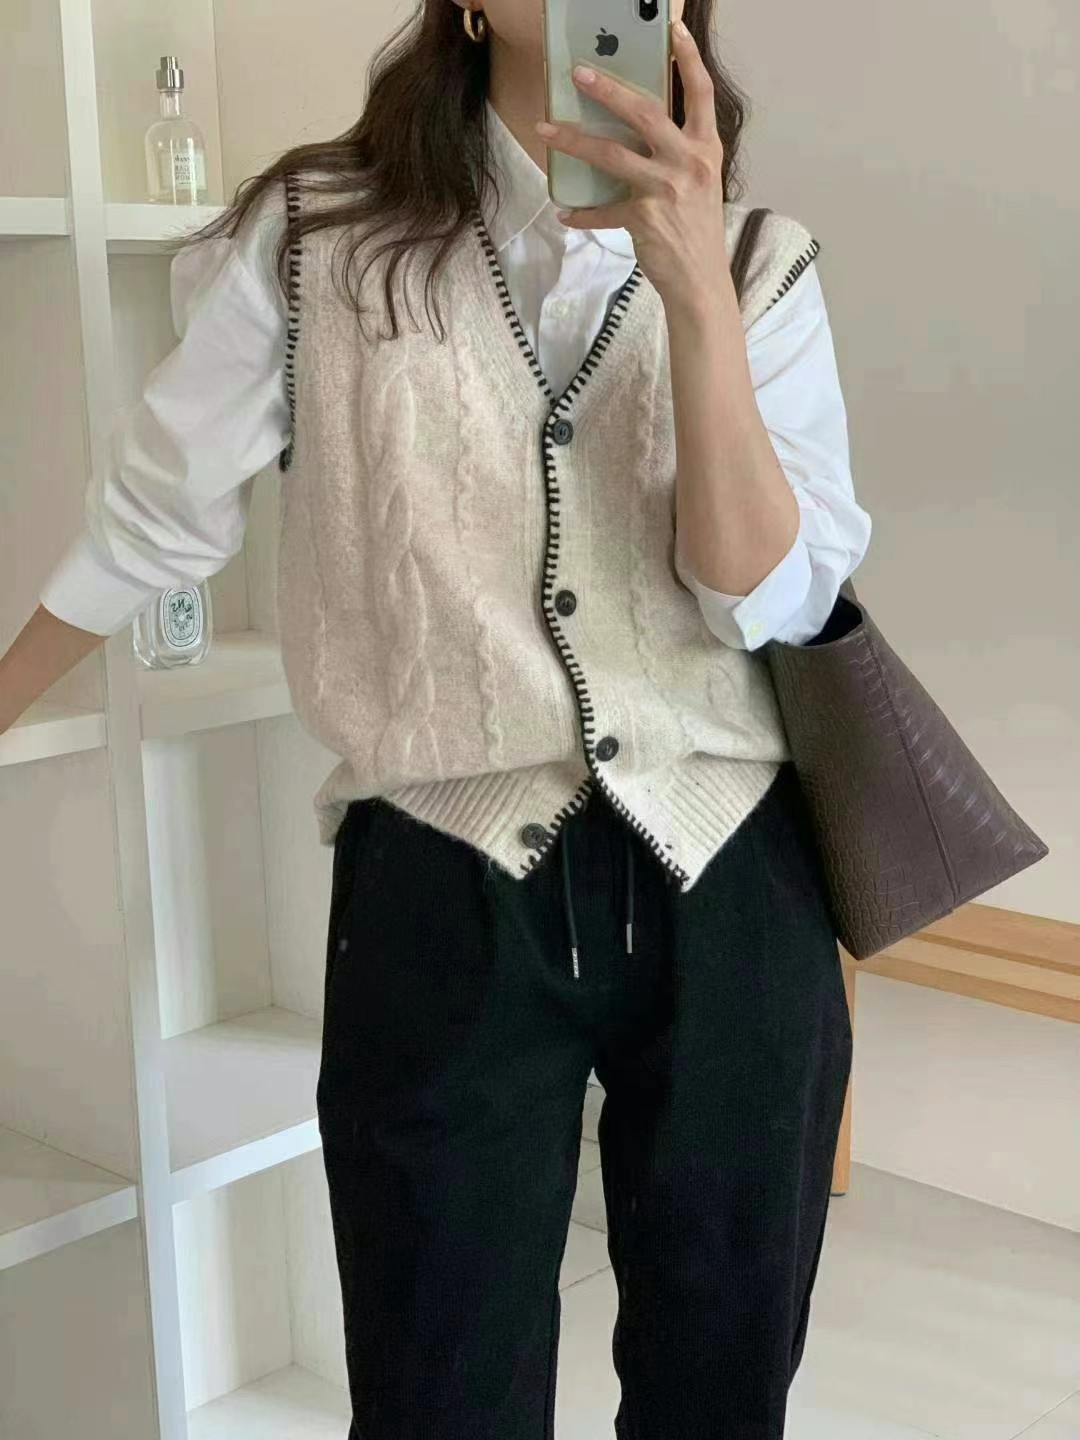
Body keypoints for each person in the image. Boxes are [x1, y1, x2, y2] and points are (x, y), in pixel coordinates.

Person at [0, 0, 872, 1434]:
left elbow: (762, 597)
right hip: (443, 878)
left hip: (733, 883)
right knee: (433, 1389)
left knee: (722, 1388)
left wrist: (695, 293)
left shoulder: (759, 259)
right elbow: (155, 514)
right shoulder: (316, 239)